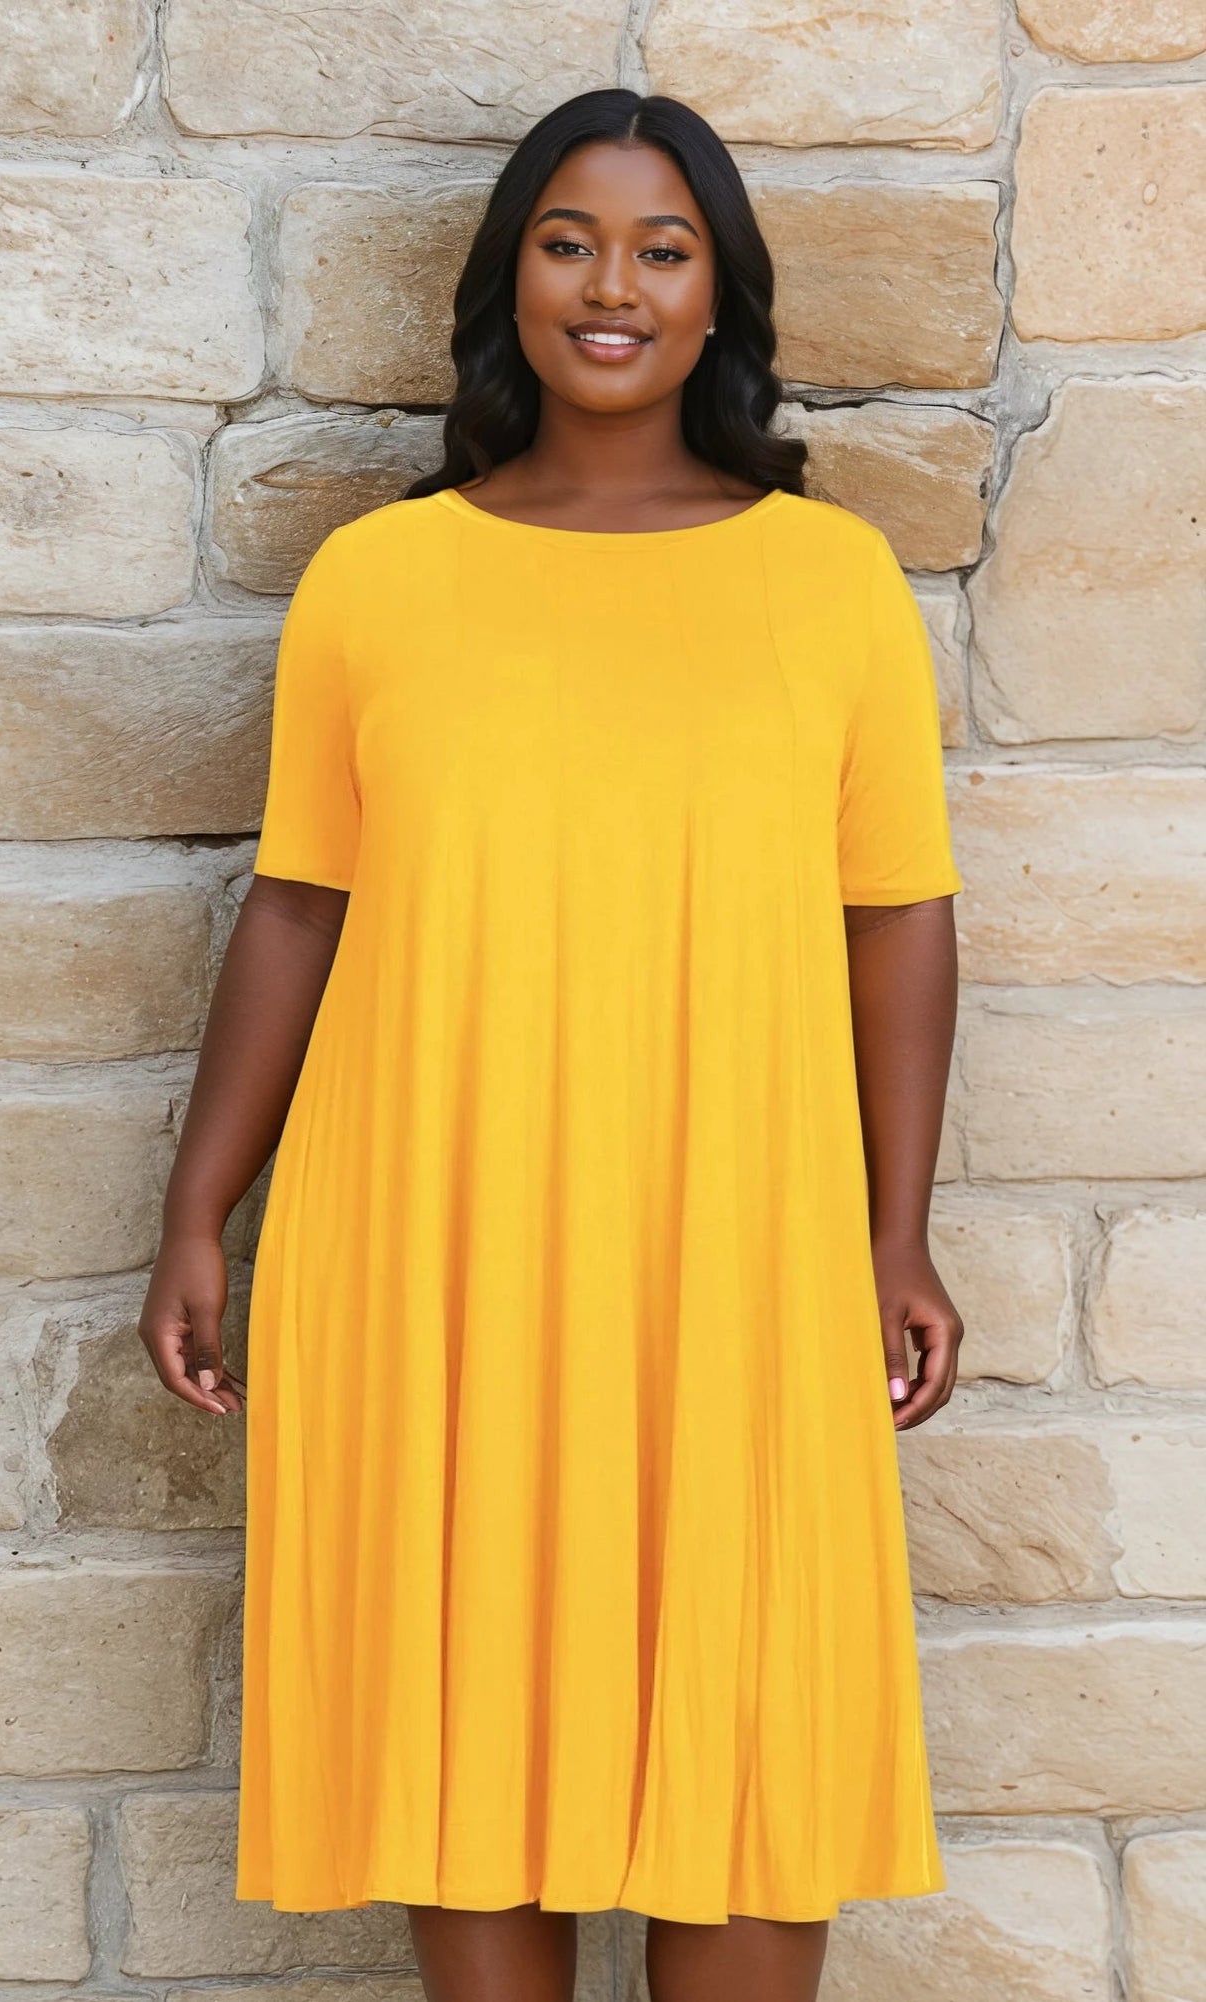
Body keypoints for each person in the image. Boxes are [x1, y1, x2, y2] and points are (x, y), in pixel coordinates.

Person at [138, 86, 964, 2002]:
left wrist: (894, 1228)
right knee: (471, 1722)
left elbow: (899, 912)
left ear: (718, 294)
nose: (613, 287)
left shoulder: (825, 582)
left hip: (733, 1246)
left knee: (745, 1734)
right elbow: (298, 904)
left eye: (663, 249)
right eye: (569, 242)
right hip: (439, 1245)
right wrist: (201, 1209)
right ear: (508, 277)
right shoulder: (381, 579)